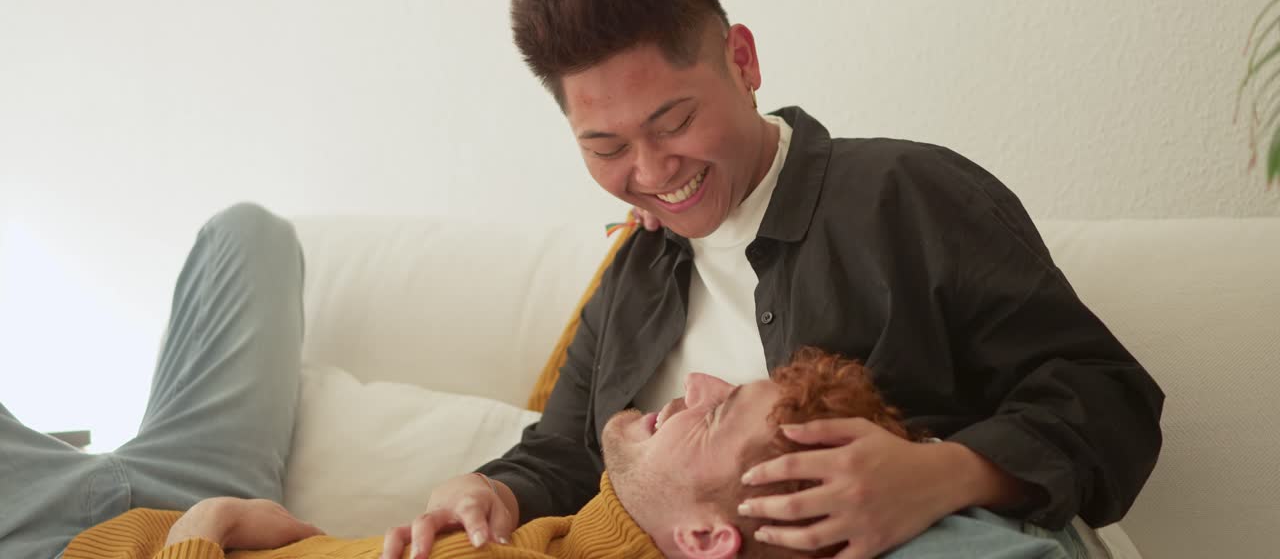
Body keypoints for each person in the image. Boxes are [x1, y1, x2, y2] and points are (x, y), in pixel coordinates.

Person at [390, 0, 1165, 559]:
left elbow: (1110, 401)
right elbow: (565, 453)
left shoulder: (908, 198)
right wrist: (486, 490)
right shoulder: (636, 271)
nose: (654, 170)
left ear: (744, 60)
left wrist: (947, 474)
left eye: (676, 121)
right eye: (607, 149)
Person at [60, 348, 1079, 558]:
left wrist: (202, 532)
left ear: (705, 538)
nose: (696, 384)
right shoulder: (549, 537)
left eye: (718, 416)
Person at [0, 204, 307, 559]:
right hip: (203, 501)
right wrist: (210, 519)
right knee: (253, 233)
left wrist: (211, 521)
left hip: (36, 520)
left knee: (250, 231)